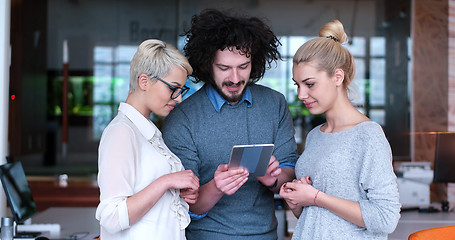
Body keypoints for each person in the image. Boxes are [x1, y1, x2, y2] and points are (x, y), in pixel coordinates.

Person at [161, 9, 298, 240]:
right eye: (224, 68)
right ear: (207, 65)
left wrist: (274, 178)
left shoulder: (274, 104)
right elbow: (184, 206)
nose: (235, 78)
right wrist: (217, 186)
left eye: (243, 67)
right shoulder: (182, 117)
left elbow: (290, 175)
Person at [279, 19, 401, 239]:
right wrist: (296, 201)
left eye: (309, 84)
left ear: (337, 76)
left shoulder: (368, 135)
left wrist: (316, 197)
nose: (301, 94)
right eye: (297, 85)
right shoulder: (316, 136)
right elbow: (317, 219)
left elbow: (386, 219)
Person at [95, 39, 199, 240]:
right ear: (144, 81)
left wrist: (178, 194)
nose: (178, 98)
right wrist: (166, 182)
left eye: (182, 90)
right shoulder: (121, 132)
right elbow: (112, 216)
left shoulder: (146, 130)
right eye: (173, 88)